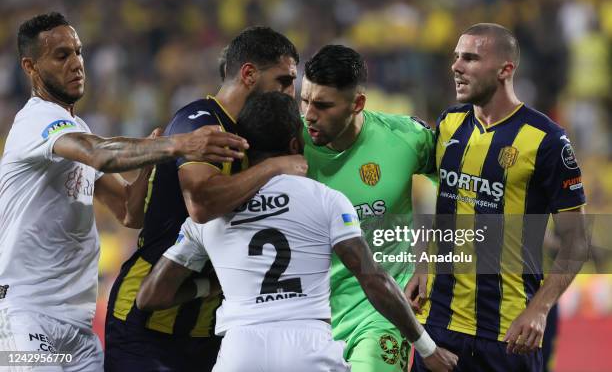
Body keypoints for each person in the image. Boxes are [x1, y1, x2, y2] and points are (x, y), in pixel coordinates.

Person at [135, 91, 458, 372]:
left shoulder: (209, 216)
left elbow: (150, 297)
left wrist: (210, 285)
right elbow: (373, 279)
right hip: (308, 348)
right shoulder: (326, 200)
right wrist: (428, 349)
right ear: (295, 142)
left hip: (239, 351)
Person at [0, 12, 247, 371]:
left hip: (77, 326)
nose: (76, 64)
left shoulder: (75, 129)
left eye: (78, 52)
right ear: (30, 67)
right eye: (61, 56)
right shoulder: (36, 122)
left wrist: (150, 163)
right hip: (25, 318)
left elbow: (130, 213)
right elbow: (99, 152)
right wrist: (180, 144)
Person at [104, 26, 306, 371]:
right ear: (248, 74)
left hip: (207, 327)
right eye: (284, 81)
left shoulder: (258, 134)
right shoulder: (198, 122)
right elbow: (202, 205)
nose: (290, 93)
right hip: (145, 324)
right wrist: (272, 167)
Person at [407, 23, 588, 372]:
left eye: (470, 58)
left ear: (505, 69)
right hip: (438, 325)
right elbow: (445, 207)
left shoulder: (547, 140)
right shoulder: (449, 124)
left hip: (508, 333)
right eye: (456, 57)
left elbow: (576, 241)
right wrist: (422, 261)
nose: (456, 66)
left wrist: (539, 309)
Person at [300, 44, 436, 371]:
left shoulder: (406, 138)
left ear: (357, 103)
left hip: (382, 314)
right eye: (303, 100)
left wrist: (426, 259)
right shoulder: (287, 144)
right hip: (307, 317)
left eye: (322, 105)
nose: (308, 114)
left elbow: (456, 191)